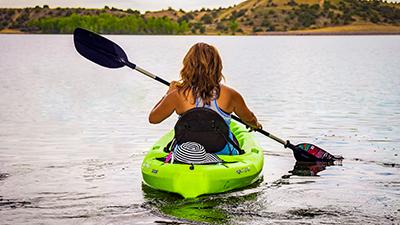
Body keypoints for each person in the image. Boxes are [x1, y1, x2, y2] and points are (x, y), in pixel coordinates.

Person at [149, 42, 262, 155]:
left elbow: (153, 118)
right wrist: (255, 125)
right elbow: (249, 118)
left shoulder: (177, 95)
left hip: (186, 153)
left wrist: (168, 93)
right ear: (217, 66)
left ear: (188, 66)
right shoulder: (230, 94)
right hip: (222, 152)